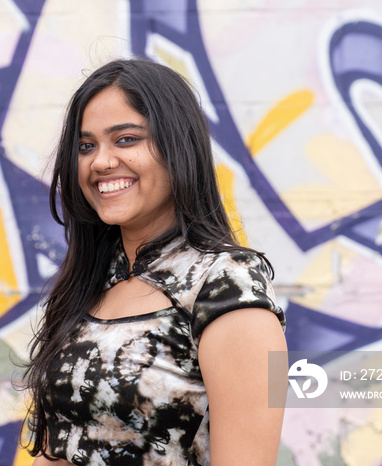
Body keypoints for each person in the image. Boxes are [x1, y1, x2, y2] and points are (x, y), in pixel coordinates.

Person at [22, 58, 287, 465]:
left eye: (125, 139)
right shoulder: (93, 281)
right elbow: (61, 445)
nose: (100, 162)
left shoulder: (227, 287)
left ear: (178, 147)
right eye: (86, 145)